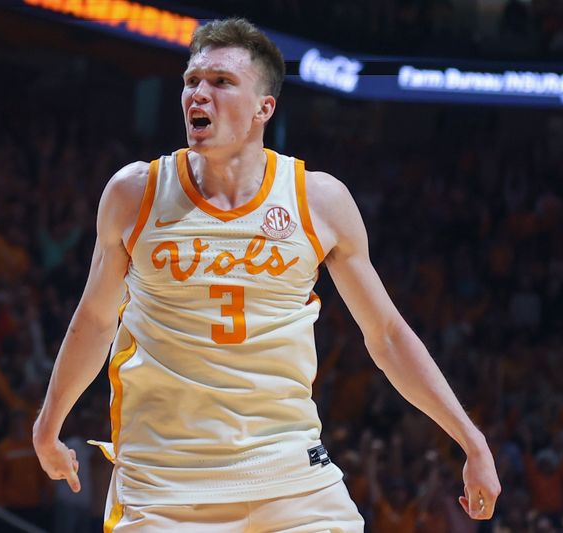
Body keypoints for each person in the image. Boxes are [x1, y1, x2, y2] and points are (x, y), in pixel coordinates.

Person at [33, 17, 500, 532]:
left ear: (264, 107)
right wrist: (48, 425)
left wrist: (471, 441)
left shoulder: (317, 200)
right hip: (165, 482)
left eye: (221, 82)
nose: (198, 95)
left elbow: (387, 335)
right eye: (191, 81)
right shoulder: (134, 193)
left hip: (289, 473)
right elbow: (96, 320)